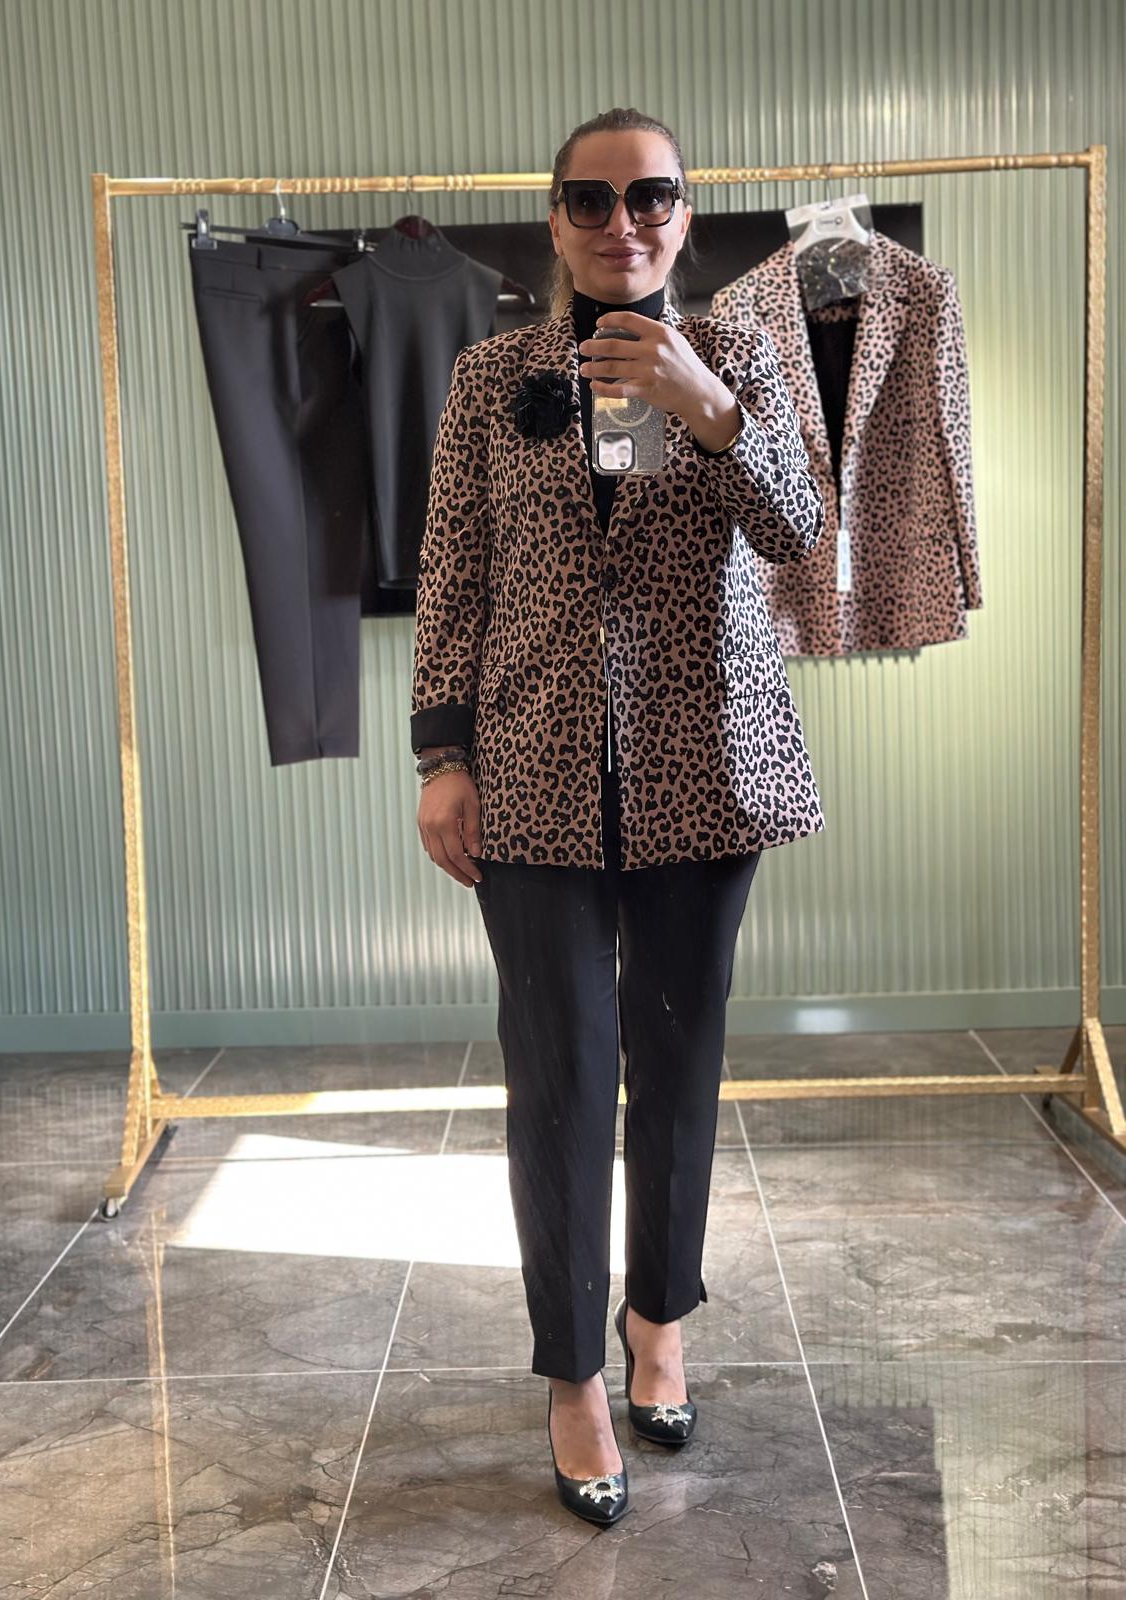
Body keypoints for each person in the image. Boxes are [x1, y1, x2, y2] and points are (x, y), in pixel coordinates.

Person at [411, 107, 826, 1525]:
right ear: (556, 220)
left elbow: (801, 537)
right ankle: (572, 1375)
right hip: (532, 764)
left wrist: (710, 408)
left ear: (684, 214)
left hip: (705, 762)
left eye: (649, 196)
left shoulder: (747, 357)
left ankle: (660, 1321)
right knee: (561, 1078)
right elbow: (452, 571)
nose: (620, 221)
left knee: (679, 1058)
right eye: (589, 198)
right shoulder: (491, 377)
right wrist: (441, 754)